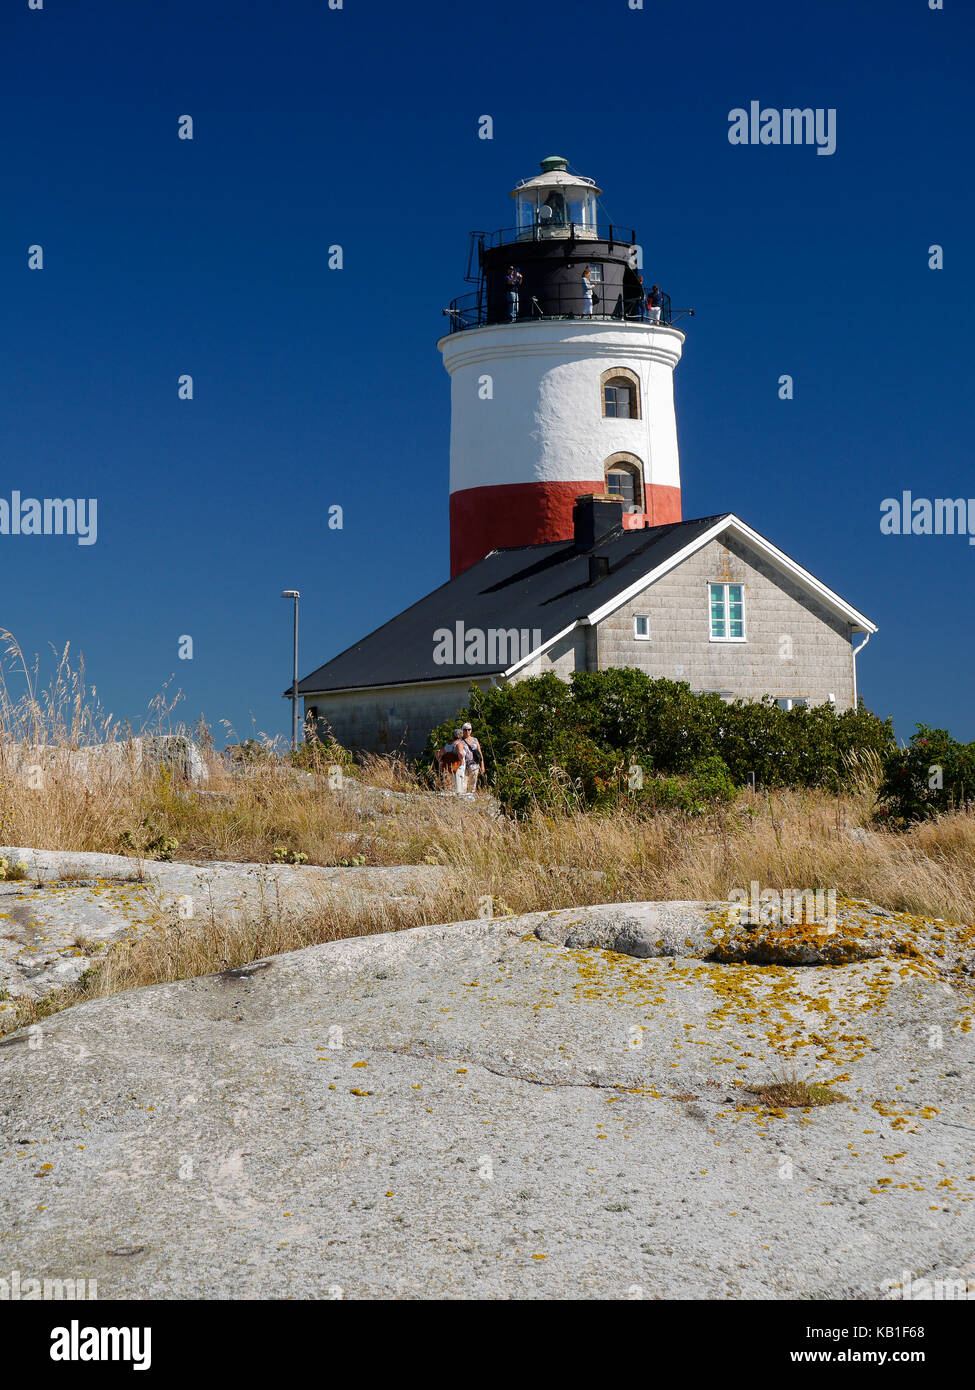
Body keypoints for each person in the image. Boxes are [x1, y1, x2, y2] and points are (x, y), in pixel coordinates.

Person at [462, 722, 486, 794]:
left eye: (469, 729)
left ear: (471, 730)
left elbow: (480, 753)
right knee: (463, 786)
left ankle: (470, 801)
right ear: (462, 730)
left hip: (475, 766)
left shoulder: (475, 740)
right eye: (465, 729)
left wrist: (482, 766)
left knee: (472, 786)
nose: (467, 731)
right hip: (464, 766)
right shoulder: (460, 741)